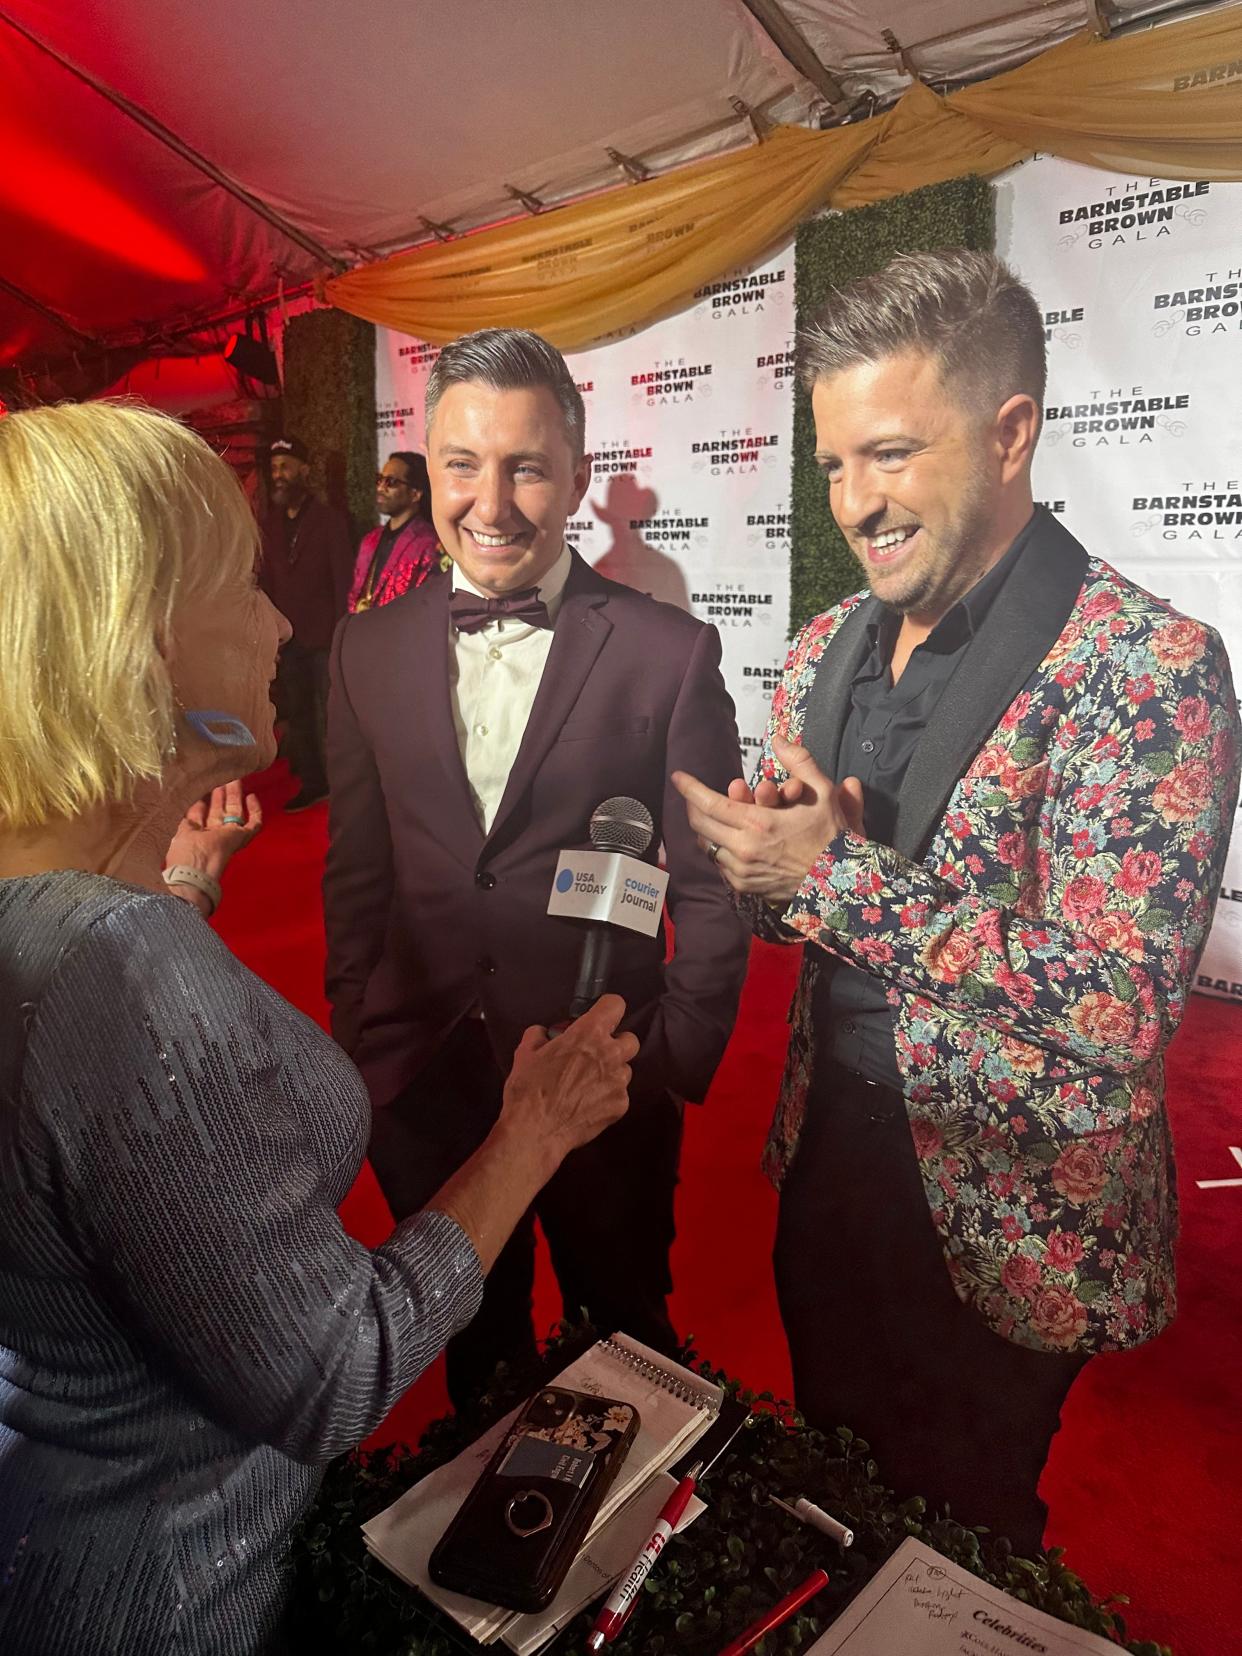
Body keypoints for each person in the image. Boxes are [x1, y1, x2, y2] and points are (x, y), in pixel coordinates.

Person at [0, 401, 637, 1656]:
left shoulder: (89, 936)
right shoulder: (120, 976)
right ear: (136, 636)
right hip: (168, 1594)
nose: (284, 621)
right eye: (241, 585)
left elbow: (71, 1078)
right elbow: (334, 1372)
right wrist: (532, 1130)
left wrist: (173, 891)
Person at [673, 247, 1241, 1556]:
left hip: (1017, 1214)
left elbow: (1117, 1008)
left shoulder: (1146, 663)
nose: (851, 502)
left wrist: (834, 880)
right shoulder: (822, 647)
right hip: (831, 1160)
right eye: (829, 466)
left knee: (963, 1541)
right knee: (835, 1491)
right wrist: (769, 872)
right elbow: (806, 909)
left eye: (888, 455)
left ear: (1009, 434)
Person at [324, 327, 749, 1408]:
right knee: (476, 1344)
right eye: (462, 465)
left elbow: (706, 881)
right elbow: (358, 870)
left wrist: (668, 1061)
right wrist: (361, 1032)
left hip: (600, 1069)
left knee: (624, 1334)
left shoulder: (667, 652)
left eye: (525, 465)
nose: (492, 501)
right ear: (430, 468)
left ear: (577, 474)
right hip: (423, 1072)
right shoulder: (361, 650)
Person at [260, 435, 355, 811]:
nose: (278, 476)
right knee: (298, 714)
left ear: (305, 471)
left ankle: (347, 784)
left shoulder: (330, 521)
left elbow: (343, 581)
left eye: (285, 467)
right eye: (273, 469)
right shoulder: (269, 525)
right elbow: (266, 583)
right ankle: (313, 782)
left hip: (326, 636)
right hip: (289, 640)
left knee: (335, 715)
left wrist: (342, 635)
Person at [350, 449, 443, 612]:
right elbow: (355, 595)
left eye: (391, 482)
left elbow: (427, 608)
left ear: (415, 494)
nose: (380, 487)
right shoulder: (369, 540)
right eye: (379, 479)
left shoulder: (430, 544)